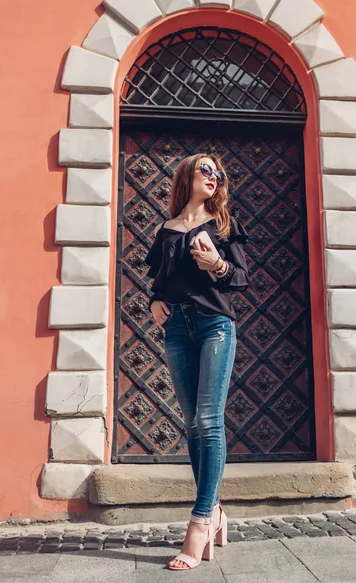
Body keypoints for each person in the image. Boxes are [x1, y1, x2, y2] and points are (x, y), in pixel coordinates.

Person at [144, 153, 250, 570]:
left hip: (214, 325)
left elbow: (240, 277)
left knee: (209, 419)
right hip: (176, 328)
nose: (214, 176)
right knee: (191, 423)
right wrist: (154, 301)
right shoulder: (166, 229)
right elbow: (160, 280)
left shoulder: (223, 224)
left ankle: (201, 520)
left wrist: (216, 263)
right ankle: (218, 510)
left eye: (219, 173)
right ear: (187, 175)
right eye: (206, 169)